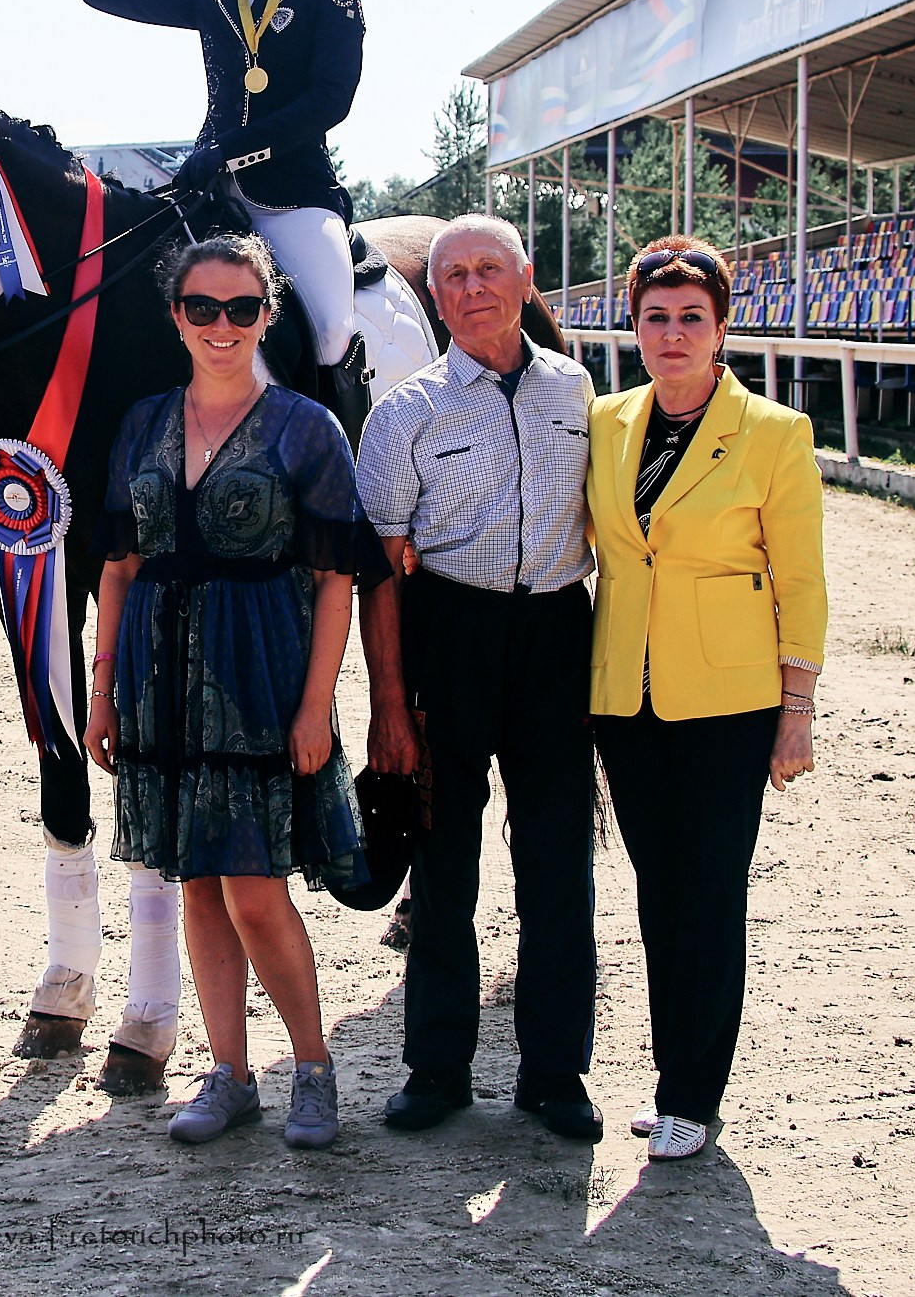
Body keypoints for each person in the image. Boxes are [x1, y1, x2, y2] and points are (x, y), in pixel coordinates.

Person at [87, 235, 372, 1150]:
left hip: (261, 674)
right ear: (176, 315)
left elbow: (338, 579)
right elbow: (118, 567)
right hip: (158, 677)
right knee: (197, 883)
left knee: (255, 887)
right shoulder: (138, 422)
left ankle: (314, 1067)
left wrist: (316, 703)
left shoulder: (305, 427)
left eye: (241, 308)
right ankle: (230, 1072)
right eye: (202, 307)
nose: (221, 325)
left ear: (267, 314)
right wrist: (102, 689)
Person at [356, 215, 604, 1143]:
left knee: (556, 865)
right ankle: (437, 1066)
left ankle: (554, 1071)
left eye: (488, 270)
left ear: (525, 278)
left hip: (553, 633)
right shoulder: (404, 412)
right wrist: (389, 701)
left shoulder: (579, 391)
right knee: (443, 860)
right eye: (452, 274)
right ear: (436, 294)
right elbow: (381, 568)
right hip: (445, 634)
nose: (469, 288)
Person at [587, 236, 826, 1162]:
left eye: (693, 317)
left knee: (711, 894)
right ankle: (672, 1075)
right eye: (656, 316)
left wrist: (796, 707)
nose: (673, 333)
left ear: (722, 328)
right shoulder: (606, 423)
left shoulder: (774, 433)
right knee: (657, 893)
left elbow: (800, 580)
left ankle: (695, 1089)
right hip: (626, 696)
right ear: (635, 325)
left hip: (731, 701)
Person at [70, 0, 369, 425]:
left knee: (334, 329)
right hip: (202, 191)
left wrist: (232, 149)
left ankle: (342, 468)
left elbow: (331, 98)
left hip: (293, 195)